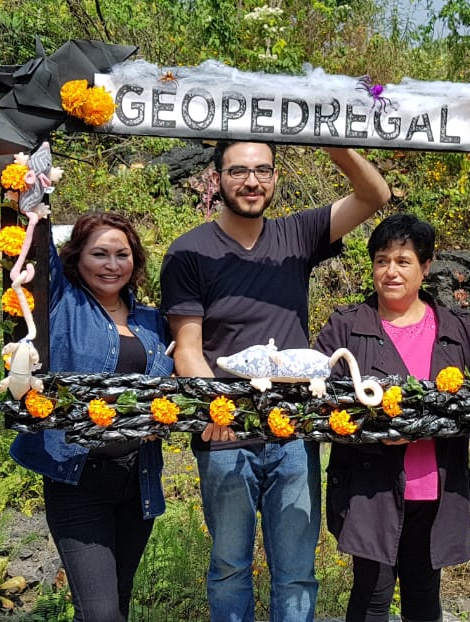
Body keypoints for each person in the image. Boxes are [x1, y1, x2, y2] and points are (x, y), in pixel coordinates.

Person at [159, 141, 391, 622]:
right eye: (238, 171)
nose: (251, 182)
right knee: (228, 568)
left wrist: (332, 142)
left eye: (263, 170)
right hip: (226, 439)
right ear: (216, 178)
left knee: (297, 573)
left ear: (275, 177)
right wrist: (215, 412)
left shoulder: (298, 235)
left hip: (294, 436)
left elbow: (373, 195)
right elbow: (188, 348)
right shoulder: (188, 252)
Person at [316, 214, 470, 622]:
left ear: (425, 267)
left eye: (403, 261)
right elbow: (317, 397)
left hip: (436, 488)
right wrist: (373, 430)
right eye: (381, 260)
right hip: (370, 487)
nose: (390, 272)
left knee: (424, 598)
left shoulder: (457, 330)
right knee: (371, 595)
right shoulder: (347, 327)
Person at [8, 211, 174, 622]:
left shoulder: (153, 321)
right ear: (76, 259)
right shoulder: (63, 303)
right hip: (79, 478)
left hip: (138, 479)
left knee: (117, 602)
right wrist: (32, 193)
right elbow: (30, 247)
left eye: (122, 254)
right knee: (100, 614)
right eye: (99, 254)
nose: (112, 264)